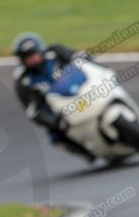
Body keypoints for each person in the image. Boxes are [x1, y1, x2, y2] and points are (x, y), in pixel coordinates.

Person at [11, 32, 97, 162]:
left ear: (40, 50)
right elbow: (33, 111)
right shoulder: (23, 80)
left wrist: (89, 60)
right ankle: (88, 152)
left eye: (34, 54)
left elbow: (78, 57)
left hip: (83, 91)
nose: (32, 59)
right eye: (27, 57)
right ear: (21, 60)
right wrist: (55, 122)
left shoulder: (55, 53)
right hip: (62, 111)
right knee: (56, 137)